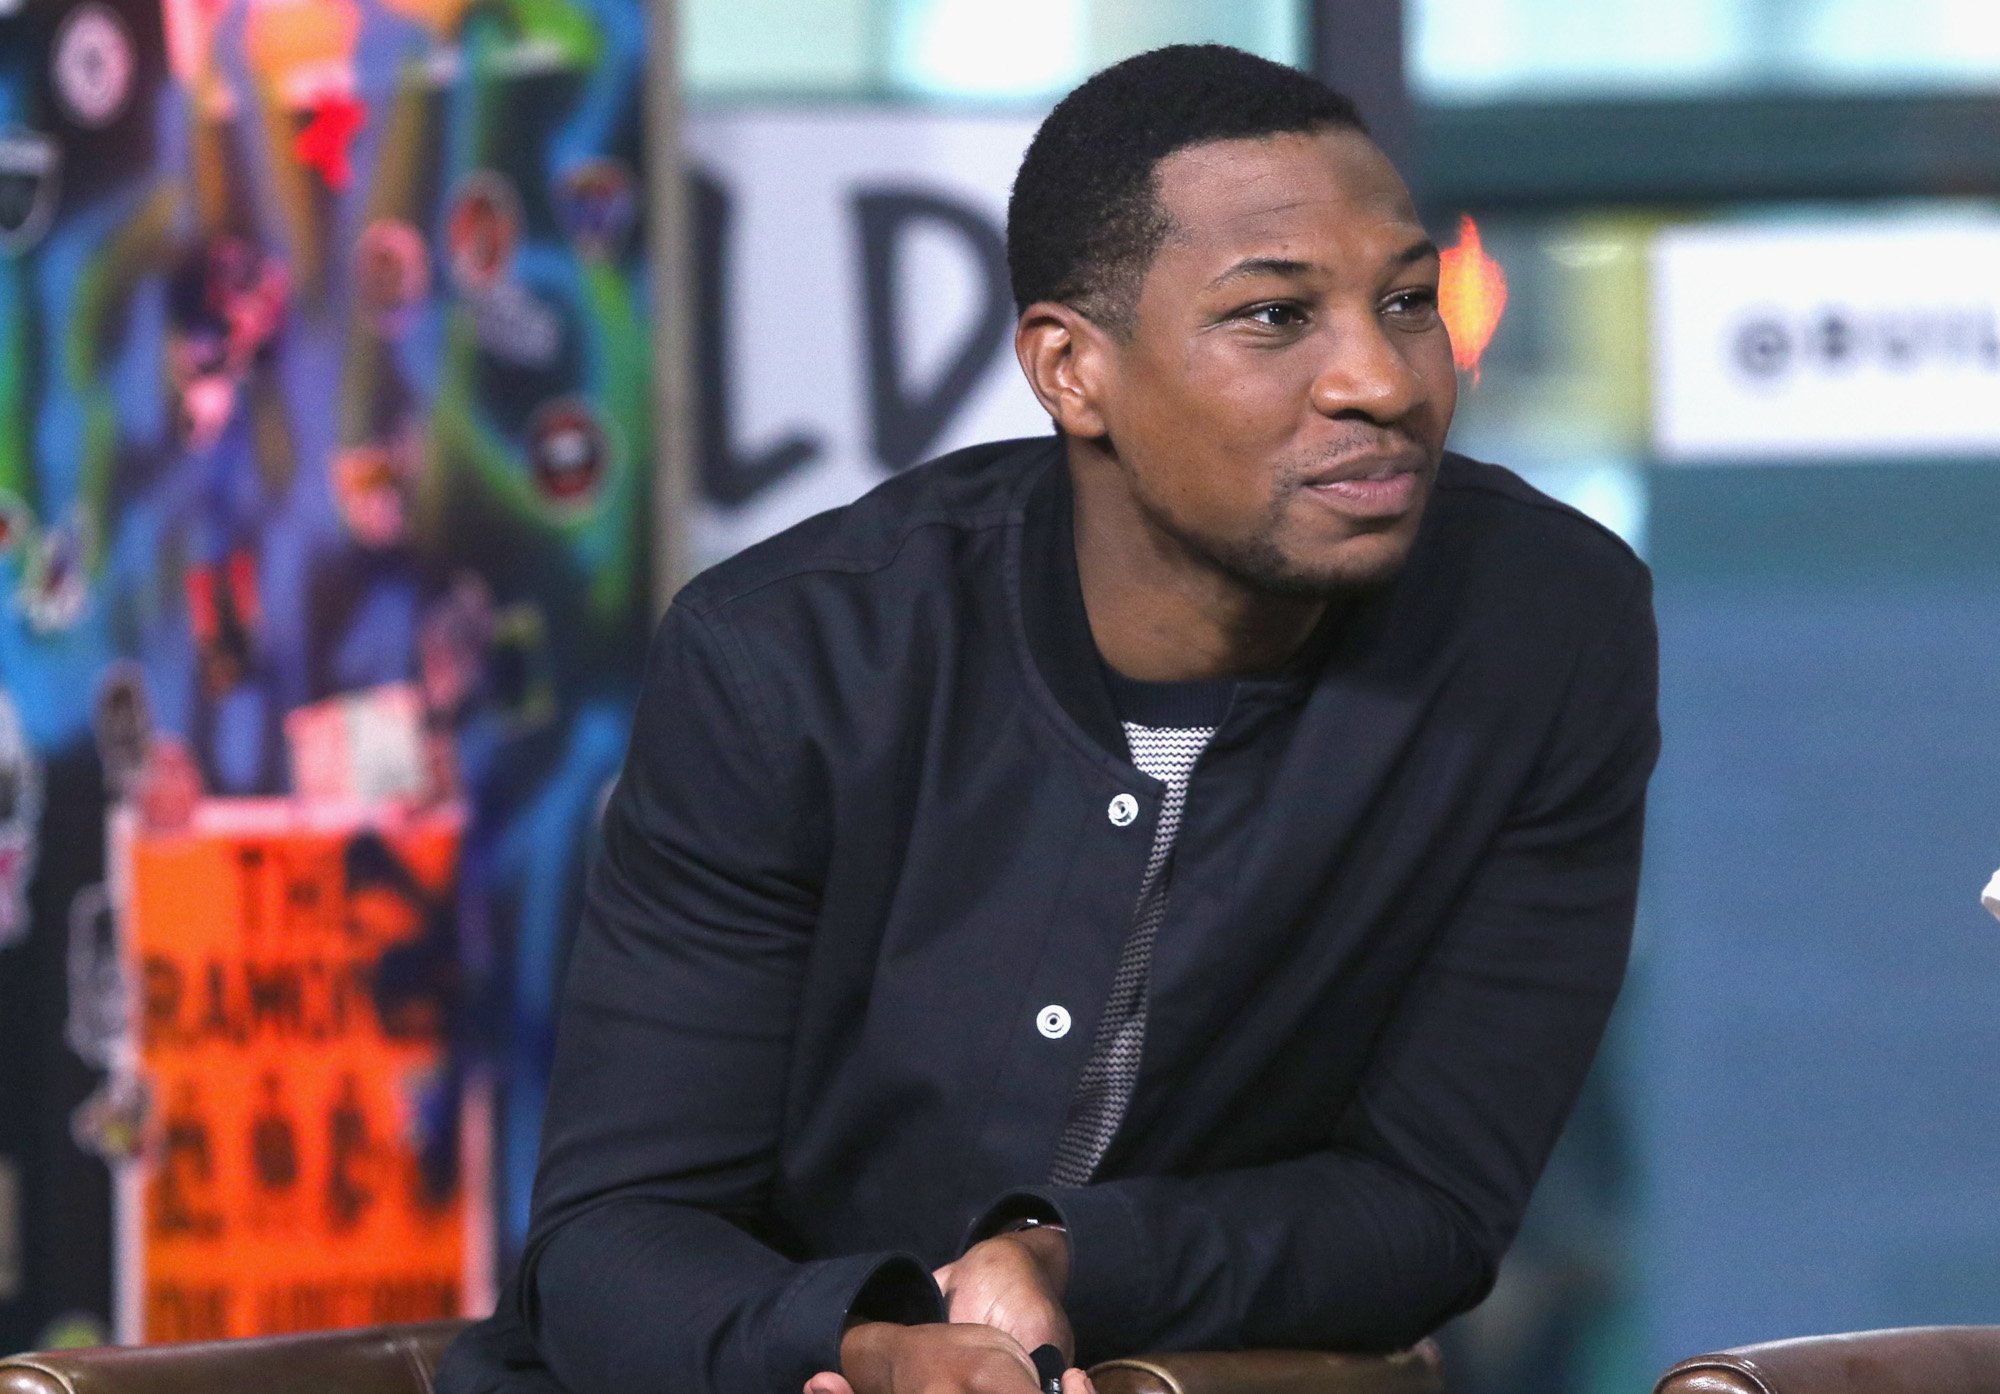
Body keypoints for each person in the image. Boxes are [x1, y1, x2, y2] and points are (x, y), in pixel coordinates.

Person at [438, 42, 1658, 1394]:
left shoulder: (1544, 630)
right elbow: (613, 1241)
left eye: (1411, 300)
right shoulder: (793, 659)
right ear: (1071, 370)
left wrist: (1066, 1255)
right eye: (1274, 316)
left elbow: (1429, 1200)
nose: (1383, 378)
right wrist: (877, 1344)